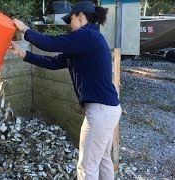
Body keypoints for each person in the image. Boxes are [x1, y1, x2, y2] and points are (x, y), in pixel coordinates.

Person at [8, 1, 121, 179]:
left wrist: (25, 30)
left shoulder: (87, 36)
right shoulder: (87, 42)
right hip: (107, 110)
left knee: (86, 167)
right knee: (102, 160)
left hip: (100, 111)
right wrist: (23, 54)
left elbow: (50, 43)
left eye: (71, 19)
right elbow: (55, 62)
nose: (69, 25)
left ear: (81, 16)